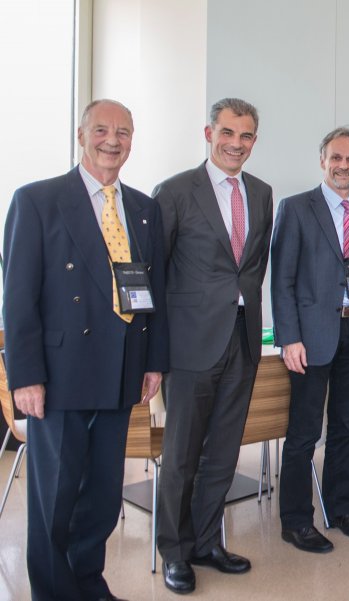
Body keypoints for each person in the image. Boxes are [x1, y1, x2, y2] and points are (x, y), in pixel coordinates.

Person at [2, 99, 168, 600]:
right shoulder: (37, 200)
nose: (112, 140)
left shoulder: (143, 208)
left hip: (122, 371)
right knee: (55, 497)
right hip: (59, 374)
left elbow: (152, 293)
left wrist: (153, 362)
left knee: (99, 496)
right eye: (101, 129)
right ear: (81, 135)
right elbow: (18, 297)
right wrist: (24, 374)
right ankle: (53, 592)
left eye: (123, 131)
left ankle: (88, 581)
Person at [154, 98, 273, 594]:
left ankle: (207, 541)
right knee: (181, 455)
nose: (236, 144)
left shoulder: (262, 193)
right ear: (209, 133)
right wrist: (155, 353)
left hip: (242, 342)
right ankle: (175, 552)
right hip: (190, 345)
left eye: (246, 136)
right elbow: (156, 275)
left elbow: (254, 267)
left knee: (223, 454)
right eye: (227, 132)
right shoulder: (176, 191)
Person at [271, 126, 349, 553]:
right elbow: (281, 280)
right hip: (313, 335)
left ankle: (340, 510)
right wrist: (290, 337)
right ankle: (296, 521)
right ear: (323, 160)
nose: (344, 166)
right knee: (303, 433)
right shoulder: (297, 208)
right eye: (337, 158)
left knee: (344, 427)